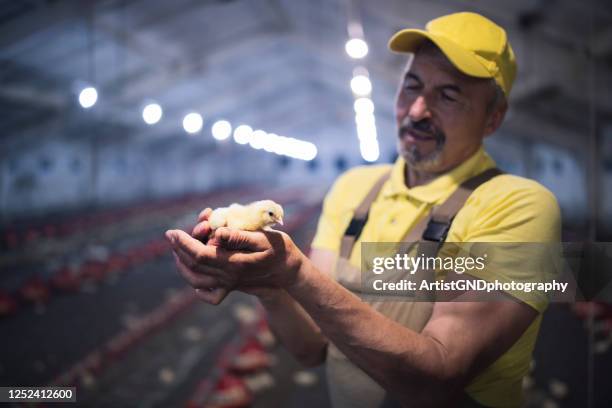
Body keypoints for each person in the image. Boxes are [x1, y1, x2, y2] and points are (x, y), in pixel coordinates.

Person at [166, 12, 561, 408]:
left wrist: (294, 270)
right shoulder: (353, 189)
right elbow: (311, 349)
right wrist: (271, 289)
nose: (418, 110)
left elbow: (439, 376)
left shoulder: (519, 206)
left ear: (494, 117)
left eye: (449, 95)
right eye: (412, 86)